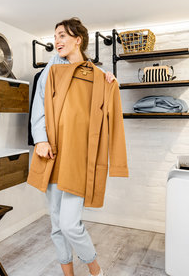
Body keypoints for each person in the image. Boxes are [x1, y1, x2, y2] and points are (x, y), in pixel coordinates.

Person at [29, 17, 121, 276]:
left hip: (78, 157)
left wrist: (112, 81)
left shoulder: (95, 74)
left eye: (62, 36)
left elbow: (109, 99)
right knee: (57, 223)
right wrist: (40, 139)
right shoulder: (50, 71)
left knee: (70, 224)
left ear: (77, 39)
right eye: (55, 36)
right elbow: (39, 106)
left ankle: (96, 272)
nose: (57, 41)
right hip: (53, 153)